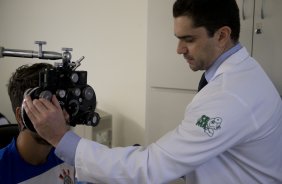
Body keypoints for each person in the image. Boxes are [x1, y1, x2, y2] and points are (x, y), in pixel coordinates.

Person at [23, 0, 282, 183]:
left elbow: (150, 170)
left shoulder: (230, 96)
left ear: (222, 35)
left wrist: (59, 137)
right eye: (178, 38)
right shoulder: (243, 73)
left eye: (189, 39)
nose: (179, 49)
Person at [0, 63, 76, 184]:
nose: (62, 116)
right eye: (46, 106)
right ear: (21, 116)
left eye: (61, 105)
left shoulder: (69, 156)